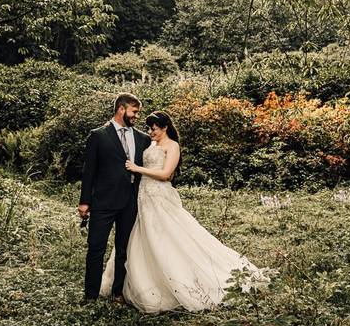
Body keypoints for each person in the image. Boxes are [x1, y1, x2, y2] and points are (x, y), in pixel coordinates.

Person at [99, 110, 269, 313]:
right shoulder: (151, 144)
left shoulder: (173, 146)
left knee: (165, 235)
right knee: (138, 235)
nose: (150, 132)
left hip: (159, 195)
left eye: (154, 128)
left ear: (165, 127)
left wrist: (137, 169)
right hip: (142, 196)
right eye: (149, 128)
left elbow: (165, 174)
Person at [78, 93, 151, 304]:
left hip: (130, 202)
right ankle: (90, 295)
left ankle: (118, 292)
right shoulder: (98, 135)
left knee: (124, 249)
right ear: (121, 109)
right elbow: (89, 171)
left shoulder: (142, 138)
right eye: (134, 112)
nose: (136, 116)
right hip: (103, 202)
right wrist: (85, 202)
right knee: (96, 248)